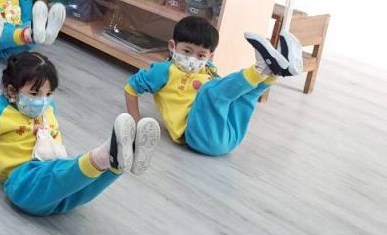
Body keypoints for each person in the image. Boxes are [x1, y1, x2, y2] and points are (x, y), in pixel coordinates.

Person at [0, 52, 161, 216]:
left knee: (82, 185)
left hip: (57, 186)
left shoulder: (48, 108)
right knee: (58, 174)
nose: (43, 100)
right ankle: (104, 156)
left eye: (49, 94)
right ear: (12, 91)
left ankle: (119, 162)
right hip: (23, 183)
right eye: (35, 93)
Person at [124, 15, 303, 157]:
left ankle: (274, 72)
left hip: (229, 135)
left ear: (210, 56)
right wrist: (136, 120)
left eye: (201, 55)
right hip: (196, 136)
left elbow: (224, 96)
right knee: (209, 92)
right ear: (172, 46)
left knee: (242, 97)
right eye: (187, 51)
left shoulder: (208, 69)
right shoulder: (163, 71)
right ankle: (259, 69)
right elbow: (131, 88)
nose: (193, 59)